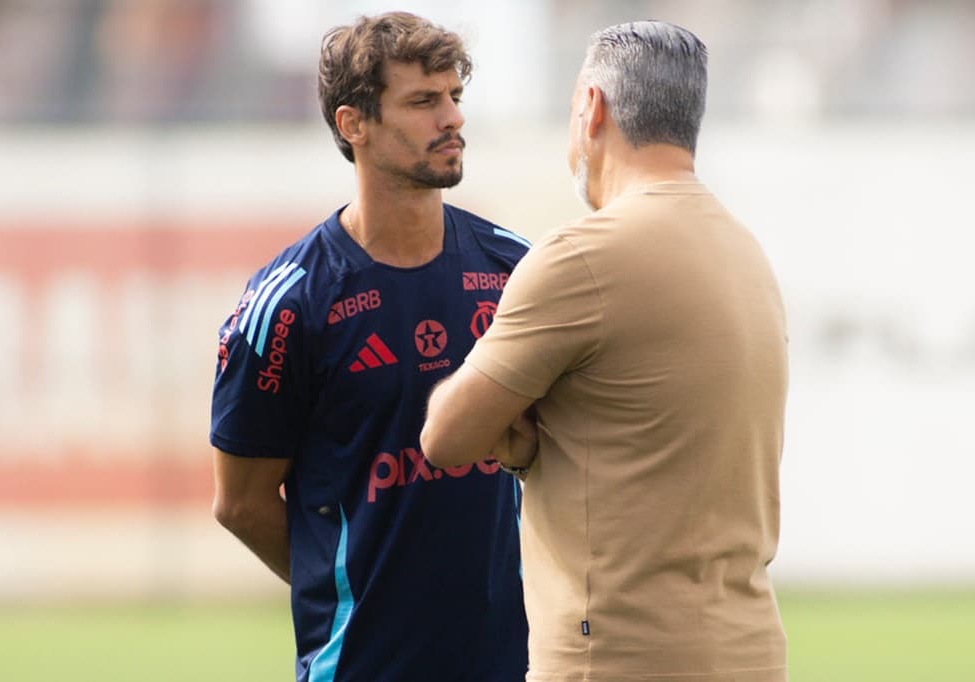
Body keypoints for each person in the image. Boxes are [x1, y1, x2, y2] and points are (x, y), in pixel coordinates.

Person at [421, 21, 789, 682]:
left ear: (592, 109)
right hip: (749, 650)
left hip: (620, 656)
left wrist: (519, 434)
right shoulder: (745, 250)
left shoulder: (585, 255)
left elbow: (446, 437)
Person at [210, 12, 529, 682]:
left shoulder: (516, 273)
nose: (452, 119)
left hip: (513, 665)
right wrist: (356, 588)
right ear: (353, 124)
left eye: (454, 98)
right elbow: (240, 502)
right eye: (422, 101)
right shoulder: (289, 303)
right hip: (360, 667)